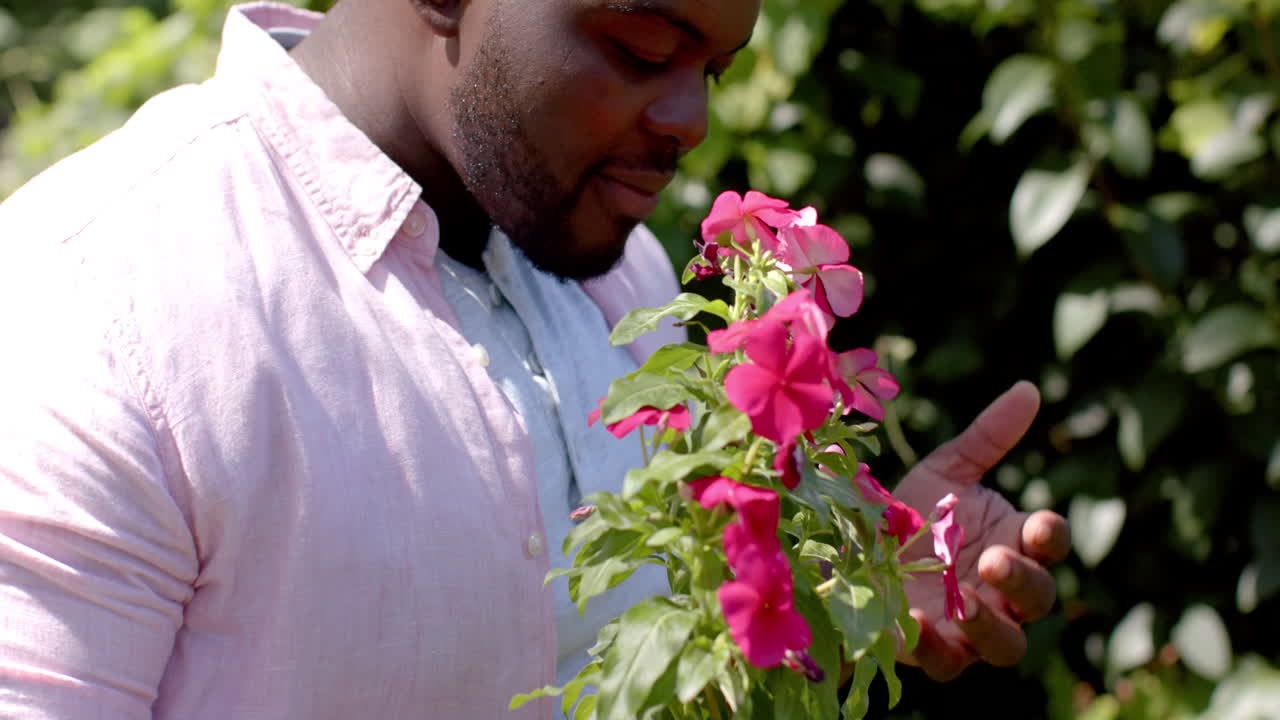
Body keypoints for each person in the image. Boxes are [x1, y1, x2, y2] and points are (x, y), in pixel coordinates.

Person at [0, 0, 1071, 717]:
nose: (691, 118)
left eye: (714, 66)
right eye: (645, 48)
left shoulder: (629, 281)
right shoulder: (96, 309)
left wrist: (854, 585)